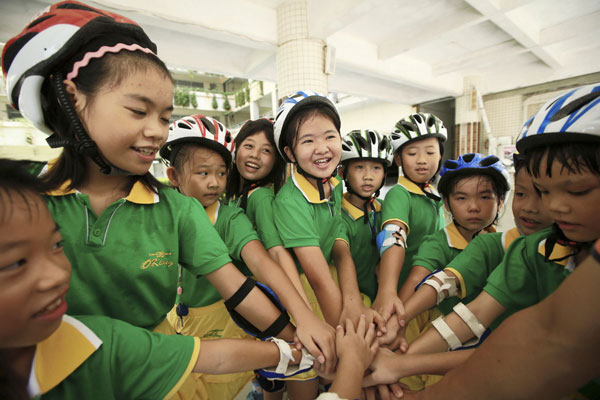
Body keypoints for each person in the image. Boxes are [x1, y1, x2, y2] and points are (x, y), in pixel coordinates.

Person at [1, 3, 297, 398]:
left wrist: (299, 335)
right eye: (139, 110)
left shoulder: (177, 210)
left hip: (160, 378)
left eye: (163, 117)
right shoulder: (27, 208)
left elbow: (237, 288)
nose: (157, 132)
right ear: (71, 100)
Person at [0, 158, 308, 399]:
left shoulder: (102, 342)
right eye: (15, 263)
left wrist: (296, 342)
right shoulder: (29, 193)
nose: (56, 276)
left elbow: (216, 339)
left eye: (57, 246)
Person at [404, 84, 600, 398]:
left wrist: (402, 362)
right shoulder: (533, 250)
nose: (550, 207)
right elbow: (460, 299)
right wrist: (401, 346)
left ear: (499, 202)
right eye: (542, 191)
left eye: (576, 191)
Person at [161, 114, 333, 400]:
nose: (214, 182)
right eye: (203, 173)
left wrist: (303, 317)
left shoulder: (230, 217)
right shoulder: (161, 211)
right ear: (173, 177)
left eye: (220, 173)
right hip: (177, 323)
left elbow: (263, 261)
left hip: (223, 323)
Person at [400, 238, 600, 400]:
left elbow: (531, 349)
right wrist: (398, 362)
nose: (557, 205)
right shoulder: (527, 249)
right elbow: (471, 312)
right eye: (521, 193)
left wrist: (399, 364)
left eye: (577, 192)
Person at [382, 153, 510, 354]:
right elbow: (415, 279)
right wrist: (399, 323)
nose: (474, 207)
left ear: (500, 201)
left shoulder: (503, 244)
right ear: (447, 204)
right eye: (461, 198)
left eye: (485, 197)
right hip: (442, 334)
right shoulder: (437, 244)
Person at [273, 90, 344, 327]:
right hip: (307, 296)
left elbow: (338, 239)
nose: (322, 148)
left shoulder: (336, 184)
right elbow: (319, 280)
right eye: (308, 140)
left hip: (333, 283)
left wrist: (352, 302)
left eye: (329, 137)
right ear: (290, 153)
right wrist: (344, 334)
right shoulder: (290, 202)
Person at [372, 113, 448, 324]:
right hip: (402, 297)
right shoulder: (400, 193)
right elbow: (393, 237)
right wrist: (387, 291)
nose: (422, 160)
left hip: (430, 293)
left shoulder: (432, 193)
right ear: (398, 159)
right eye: (412, 153)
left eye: (430, 152)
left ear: (440, 155)